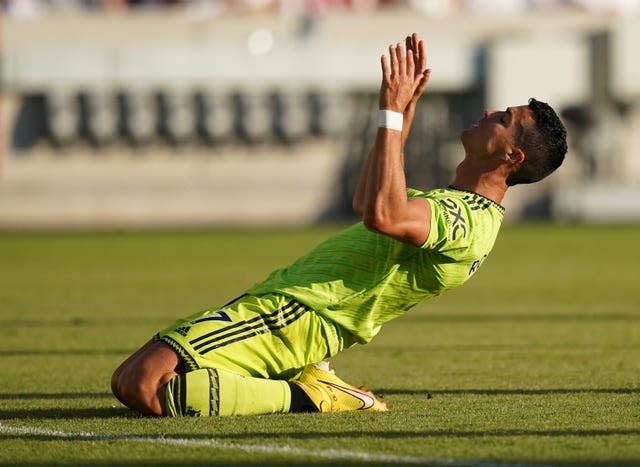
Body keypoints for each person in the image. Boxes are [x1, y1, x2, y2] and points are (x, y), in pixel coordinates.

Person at [111, 33, 567, 417]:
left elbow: (383, 215)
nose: (489, 112)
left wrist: (391, 113)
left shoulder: (468, 219)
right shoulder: (455, 204)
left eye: (504, 120)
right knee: (139, 380)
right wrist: (400, 115)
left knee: (143, 385)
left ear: (512, 156)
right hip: (290, 310)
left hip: (299, 316)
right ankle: (305, 381)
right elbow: (367, 201)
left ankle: (312, 395)